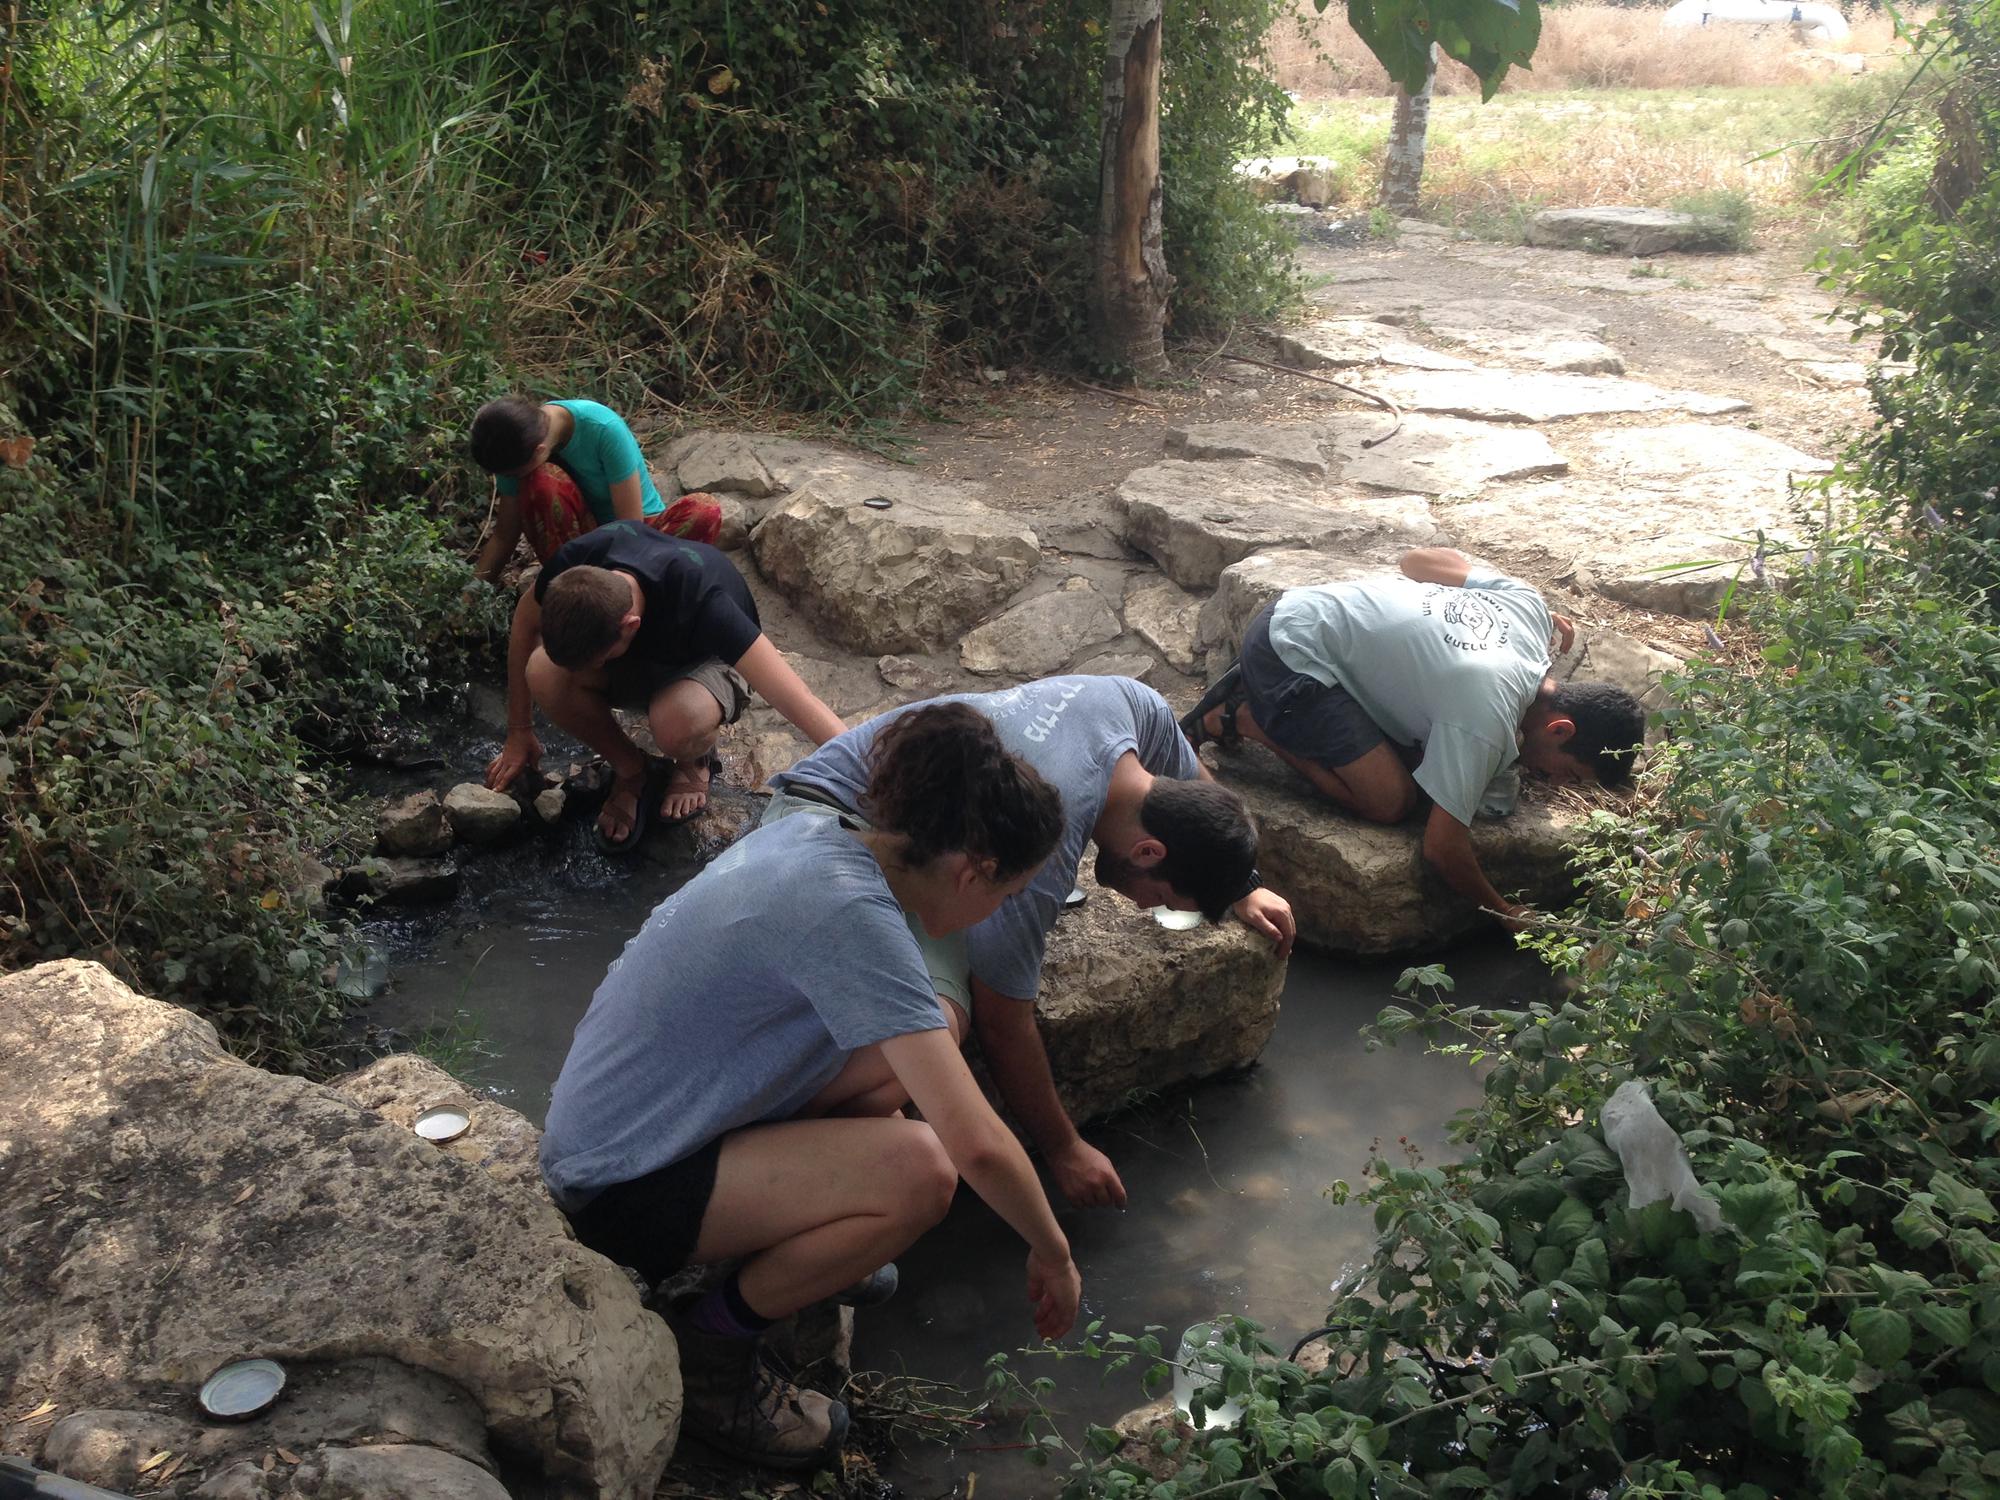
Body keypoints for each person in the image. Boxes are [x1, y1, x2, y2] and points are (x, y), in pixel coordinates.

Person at [539, 704, 1080, 1470]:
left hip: (639, 1128)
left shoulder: (822, 836)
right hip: (618, 1186)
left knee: (902, 1058)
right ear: (972, 872)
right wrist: (1053, 1253)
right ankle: (712, 1348)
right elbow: (979, 1147)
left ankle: (814, 1238)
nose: (1001, 913)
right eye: (1009, 894)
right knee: (924, 1172)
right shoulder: (848, 913)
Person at [763, 675, 1296, 1211]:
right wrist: (1064, 1149)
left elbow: (1206, 801)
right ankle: (787, 1165)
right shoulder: (1041, 845)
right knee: (932, 1033)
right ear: (1149, 852)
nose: (1143, 907)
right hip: (829, 829)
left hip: (893, 825)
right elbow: (1003, 1019)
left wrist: (1243, 884)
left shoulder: (1137, 706)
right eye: (1159, 898)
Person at [1184, 547, 1645, 931]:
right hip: (1290, 652)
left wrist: (1526, 612)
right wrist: (1507, 913)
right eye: (1568, 773)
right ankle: (1244, 717)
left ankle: (1262, 700)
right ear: (1560, 729)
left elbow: (1413, 561)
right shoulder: (1486, 717)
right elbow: (1442, 847)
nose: (1554, 782)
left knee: (1425, 760)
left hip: (1309, 609)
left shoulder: (1529, 608)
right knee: (1391, 801)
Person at [483, 522, 845, 848]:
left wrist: (868, 773)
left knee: (676, 721)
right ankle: (632, 770)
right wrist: (519, 731)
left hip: (704, 661)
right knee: (542, 671)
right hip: (645, 657)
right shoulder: (577, 564)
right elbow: (524, 622)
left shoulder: (704, 598)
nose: (592, 670)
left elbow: (798, 699)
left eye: (599, 660)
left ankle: (696, 760)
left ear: (630, 626)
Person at [468, 396, 721, 583]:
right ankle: (574, 592)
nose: (511, 480)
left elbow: (631, 529)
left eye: (512, 475)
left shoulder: (602, 427)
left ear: (539, 451)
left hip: (639, 539)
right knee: (541, 484)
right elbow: (504, 536)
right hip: (582, 553)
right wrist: (469, 600)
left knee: (704, 510)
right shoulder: (514, 446)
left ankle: (634, 600)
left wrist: (618, 583)